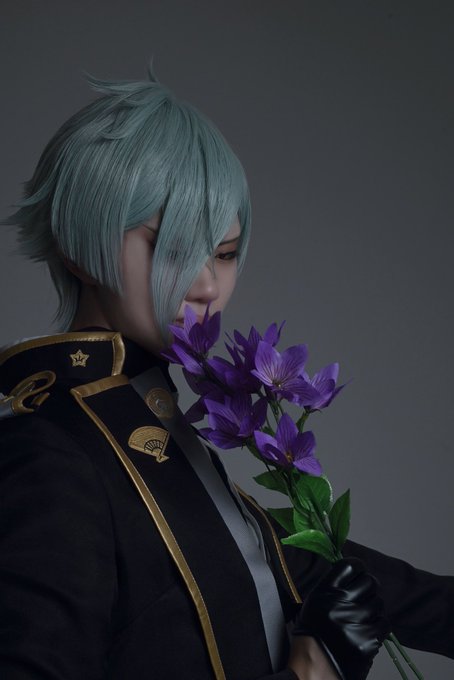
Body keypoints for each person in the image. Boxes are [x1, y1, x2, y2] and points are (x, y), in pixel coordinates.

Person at [0, 67, 452, 680]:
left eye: (225, 253)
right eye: (173, 248)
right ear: (78, 247)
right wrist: (310, 674)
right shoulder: (50, 449)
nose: (208, 287)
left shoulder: (144, 410)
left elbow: (276, 562)